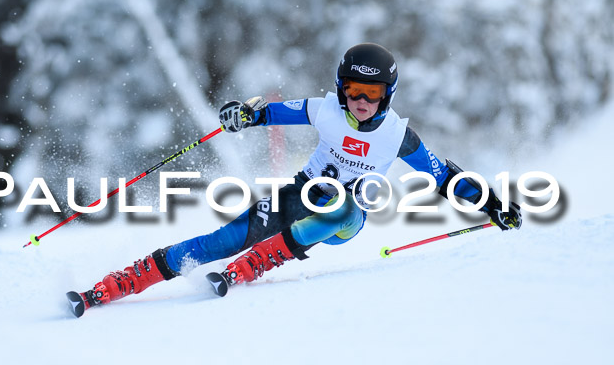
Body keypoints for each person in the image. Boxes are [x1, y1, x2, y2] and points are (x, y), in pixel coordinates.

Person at [67, 43, 522, 316]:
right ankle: (114, 286)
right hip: (301, 194)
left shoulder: (398, 136)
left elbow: (443, 178)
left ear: (388, 95)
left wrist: (491, 203)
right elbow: (270, 112)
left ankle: (253, 266)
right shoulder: (325, 110)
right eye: (353, 91)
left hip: (347, 216)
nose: (360, 102)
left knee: (343, 205)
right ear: (341, 87)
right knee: (223, 239)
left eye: (372, 94)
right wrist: (243, 115)